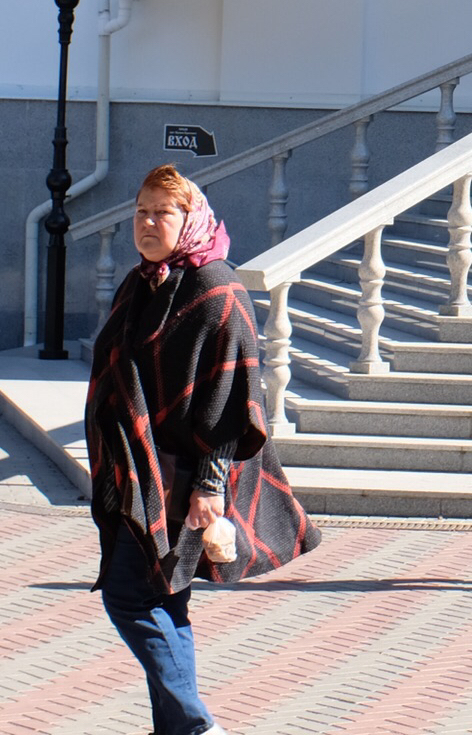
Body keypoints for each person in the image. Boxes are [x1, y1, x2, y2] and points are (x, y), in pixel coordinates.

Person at [86, 165, 317, 735]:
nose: (146, 221)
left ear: (190, 219)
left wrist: (211, 487)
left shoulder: (218, 289)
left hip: (186, 476)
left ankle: (192, 725)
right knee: (165, 601)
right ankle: (176, 728)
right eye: (140, 210)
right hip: (140, 469)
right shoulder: (144, 281)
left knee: (128, 596)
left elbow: (236, 396)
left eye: (161, 212)